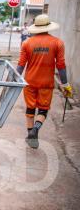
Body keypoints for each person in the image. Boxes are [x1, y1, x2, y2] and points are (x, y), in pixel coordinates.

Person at [17, 14, 73, 149]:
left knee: (30, 108)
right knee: (43, 110)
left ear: (35, 27)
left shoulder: (27, 43)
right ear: (48, 27)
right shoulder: (57, 43)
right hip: (46, 83)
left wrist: (13, 80)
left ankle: (31, 137)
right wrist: (65, 85)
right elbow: (61, 66)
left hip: (29, 81)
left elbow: (21, 65)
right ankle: (36, 128)